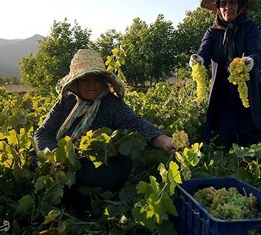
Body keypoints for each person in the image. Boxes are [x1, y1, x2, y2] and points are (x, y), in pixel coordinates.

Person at [34, 49, 176, 214]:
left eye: (96, 79)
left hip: (103, 169)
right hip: (62, 163)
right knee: (34, 158)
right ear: (76, 83)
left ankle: (80, 209)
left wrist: (165, 141)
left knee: (81, 181)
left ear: (103, 81)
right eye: (85, 79)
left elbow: (137, 124)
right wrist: (54, 155)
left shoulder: (112, 105)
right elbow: (42, 132)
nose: (92, 84)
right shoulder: (66, 102)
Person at [189, 0, 261, 150]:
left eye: (232, 2)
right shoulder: (212, 32)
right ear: (218, 8)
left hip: (246, 91)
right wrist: (197, 60)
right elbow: (203, 52)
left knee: (250, 141)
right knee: (226, 140)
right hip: (222, 93)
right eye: (223, 3)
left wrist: (249, 61)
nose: (228, 7)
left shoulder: (250, 28)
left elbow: (255, 51)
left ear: (240, 6)